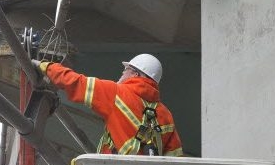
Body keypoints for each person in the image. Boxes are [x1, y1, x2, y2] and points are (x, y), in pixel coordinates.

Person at [32, 53, 183, 156]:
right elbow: (175, 159)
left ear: (136, 74)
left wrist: (44, 66)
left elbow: (75, 82)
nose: (122, 73)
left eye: (126, 70)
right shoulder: (166, 115)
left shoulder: (116, 93)